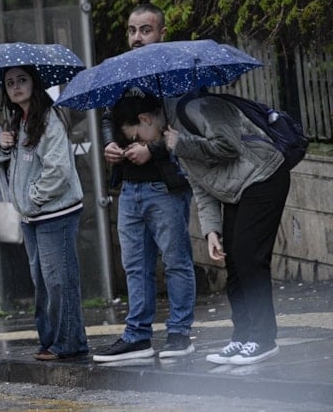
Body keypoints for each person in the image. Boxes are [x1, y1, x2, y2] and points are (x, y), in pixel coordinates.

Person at [114, 91, 290, 365]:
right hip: (237, 189)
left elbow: (229, 146)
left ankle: (264, 338)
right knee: (233, 261)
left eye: (136, 136)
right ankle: (243, 336)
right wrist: (211, 231)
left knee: (249, 258)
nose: (138, 143)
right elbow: (201, 183)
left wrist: (181, 143)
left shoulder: (199, 108)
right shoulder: (171, 135)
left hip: (264, 176)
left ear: (145, 118)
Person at [94, 4, 196, 362]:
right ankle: (137, 335)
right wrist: (110, 142)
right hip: (130, 187)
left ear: (161, 33)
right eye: (132, 30)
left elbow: (186, 126)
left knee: (176, 261)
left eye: (145, 30)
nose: (137, 37)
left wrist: (152, 149)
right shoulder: (121, 71)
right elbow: (108, 114)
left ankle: (180, 333)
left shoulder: (174, 72)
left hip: (165, 186)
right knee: (135, 264)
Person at [0, 66, 89, 360]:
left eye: (22, 80)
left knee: (59, 279)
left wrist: (32, 198)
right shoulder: (18, 122)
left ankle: (69, 342)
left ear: (35, 84)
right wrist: (4, 148)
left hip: (55, 213)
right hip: (32, 217)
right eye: (10, 83)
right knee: (42, 281)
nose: (16, 87)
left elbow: (58, 169)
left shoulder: (49, 119)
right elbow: (15, 168)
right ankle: (50, 340)